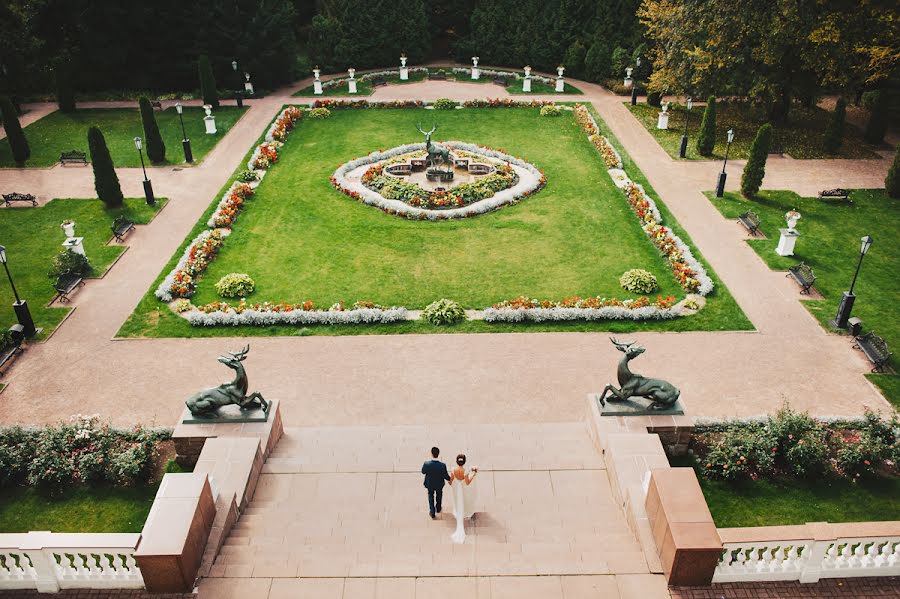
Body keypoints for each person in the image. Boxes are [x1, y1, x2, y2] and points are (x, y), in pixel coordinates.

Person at [448, 453, 478, 544]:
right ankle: (465, 511)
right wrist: (473, 474)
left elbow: (450, 481)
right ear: (464, 462)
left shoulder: (453, 470)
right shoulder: (465, 472)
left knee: (458, 501)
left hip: (457, 489)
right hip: (463, 489)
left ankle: (458, 511)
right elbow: (467, 482)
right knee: (465, 500)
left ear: (457, 461)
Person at [421, 446, 450, 519]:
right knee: (439, 495)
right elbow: (445, 476)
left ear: (431, 454)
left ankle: (432, 511)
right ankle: (438, 507)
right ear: (438, 454)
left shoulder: (426, 464)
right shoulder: (442, 465)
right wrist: (451, 479)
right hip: (439, 484)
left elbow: (423, 472)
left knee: (430, 496)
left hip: (430, 483)